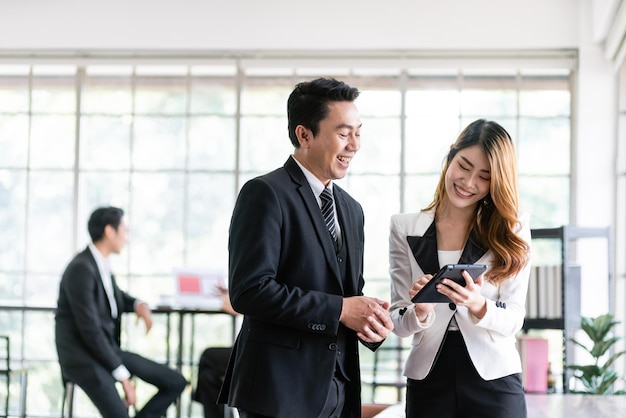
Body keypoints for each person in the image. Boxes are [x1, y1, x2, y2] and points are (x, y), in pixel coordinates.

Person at [218, 77, 394, 418]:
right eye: (344, 133)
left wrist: (370, 323)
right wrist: (340, 310)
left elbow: (346, 292)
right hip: (279, 390)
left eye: (359, 132)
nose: (355, 145)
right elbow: (250, 291)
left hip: (339, 389)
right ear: (304, 135)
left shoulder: (351, 209)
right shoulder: (265, 194)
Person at [388, 119, 531, 418]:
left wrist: (478, 304)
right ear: (451, 155)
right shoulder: (404, 227)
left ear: (496, 182)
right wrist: (421, 312)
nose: (468, 183)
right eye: (464, 166)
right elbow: (398, 321)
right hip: (429, 377)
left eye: (484, 176)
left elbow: (514, 319)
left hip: (494, 379)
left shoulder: (511, 230)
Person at [55, 206, 187, 418]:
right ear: (109, 231)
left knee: (175, 381)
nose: (127, 237)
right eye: (125, 230)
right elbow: (90, 330)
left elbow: (115, 298)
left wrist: (137, 304)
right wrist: (123, 377)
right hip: (83, 357)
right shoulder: (81, 268)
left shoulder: (100, 263)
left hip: (105, 350)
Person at [193, 288, 238, 418]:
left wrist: (240, 307)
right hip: (248, 347)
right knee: (207, 377)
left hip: (262, 351)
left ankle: (197, 398)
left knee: (207, 356)